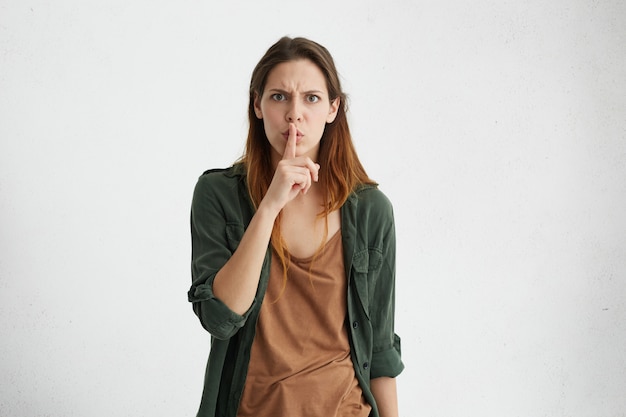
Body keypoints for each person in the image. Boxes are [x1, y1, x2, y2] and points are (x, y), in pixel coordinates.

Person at [188, 36, 403, 417]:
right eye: (279, 97)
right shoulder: (217, 194)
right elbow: (221, 318)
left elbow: (381, 349)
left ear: (334, 108)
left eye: (312, 98)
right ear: (257, 105)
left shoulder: (372, 211)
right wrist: (269, 206)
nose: (294, 114)